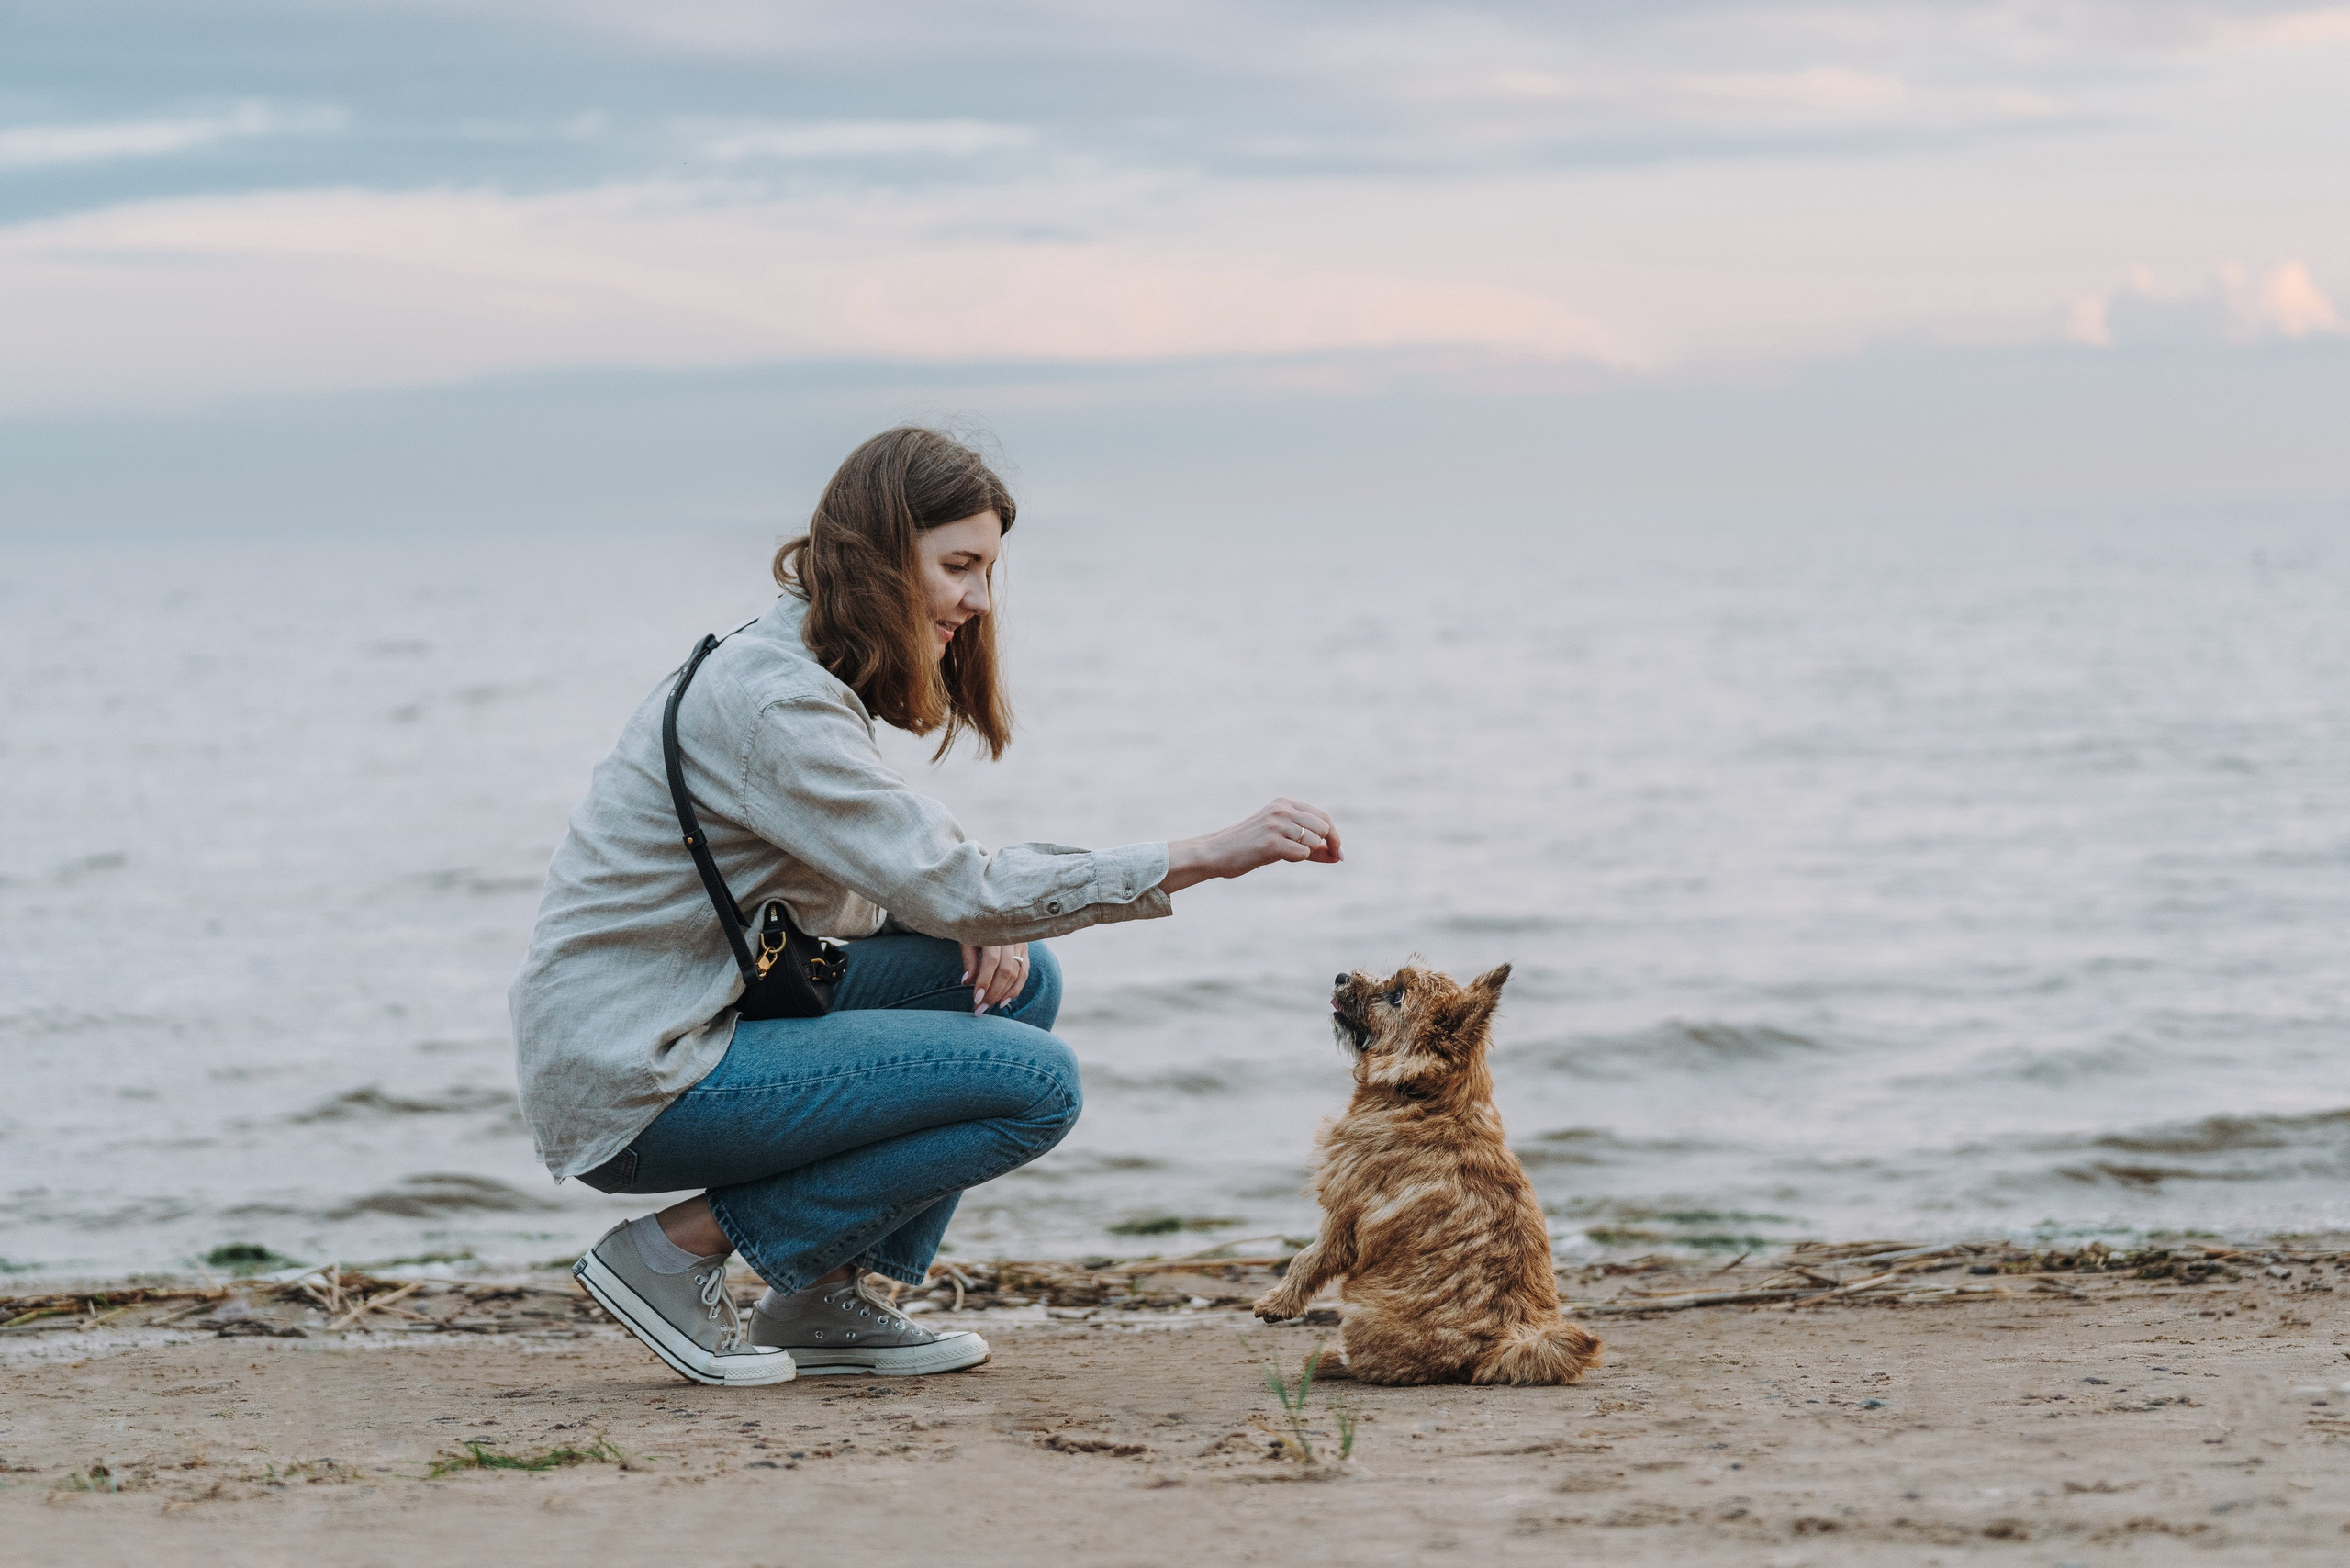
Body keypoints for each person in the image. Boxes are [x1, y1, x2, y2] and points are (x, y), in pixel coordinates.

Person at [509, 427, 1341, 1385]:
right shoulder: (775, 701)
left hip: (705, 1000)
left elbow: (872, 885)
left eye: (987, 571)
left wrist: (955, 922)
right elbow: (960, 885)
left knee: (1014, 986)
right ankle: (670, 1253)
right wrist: (1200, 855)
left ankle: (822, 1298)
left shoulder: (795, 671)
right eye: (959, 565)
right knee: (1037, 1085)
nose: (979, 600)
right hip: (637, 1065)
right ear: (878, 552)